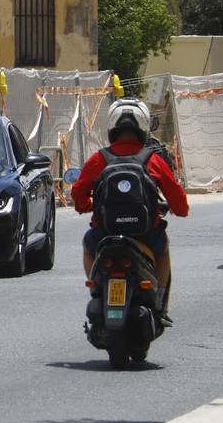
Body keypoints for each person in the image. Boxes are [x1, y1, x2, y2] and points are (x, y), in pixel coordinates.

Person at [72, 97, 189, 322]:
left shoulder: (99, 159)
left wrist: (86, 206)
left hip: (104, 235)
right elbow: (180, 205)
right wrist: (177, 209)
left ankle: (96, 289)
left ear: (112, 127)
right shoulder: (153, 160)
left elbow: (78, 194)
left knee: (88, 245)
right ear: (144, 128)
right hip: (146, 236)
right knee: (163, 250)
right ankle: (161, 303)